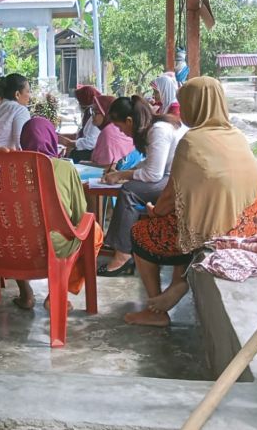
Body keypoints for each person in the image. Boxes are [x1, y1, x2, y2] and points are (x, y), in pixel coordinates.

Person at [126, 77, 257, 327]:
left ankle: (156, 311)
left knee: (142, 232)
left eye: (185, 103)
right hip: (247, 228)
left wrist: (154, 211)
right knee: (189, 217)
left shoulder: (192, 141)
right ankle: (181, 281)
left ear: (195, 105)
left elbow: (169, 198)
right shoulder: (237, 136)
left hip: (214, 233)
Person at [15, 118, 104, 309]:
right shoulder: (64, 168)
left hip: (11, 246)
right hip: (54, 246)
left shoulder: (10, 170)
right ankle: (57, 293)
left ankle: (25, 294)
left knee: (17, 228)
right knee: (93, 230)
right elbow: (80, 216)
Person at [97, 96, 187, 276]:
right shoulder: (156, 127)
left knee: (129, 191)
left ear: (129, 121)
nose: (122, 132)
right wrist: (127, 172)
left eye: (120, 127)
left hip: (181, 182)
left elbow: (153, 174)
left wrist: (123, 175)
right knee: (130, 187)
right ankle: (119, 245)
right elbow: (150, 164)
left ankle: (122, 255)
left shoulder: (159, 130)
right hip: (172, 177)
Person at [0, 73, 31, 150]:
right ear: (17, 94)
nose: (30, 95)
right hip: (3, 158)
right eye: (28, 91)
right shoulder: (20, 110)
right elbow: (20, 145)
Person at [89, 94, 137, 169]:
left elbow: (108, 168)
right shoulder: (115, 127)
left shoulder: (109, 132)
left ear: (105, 113)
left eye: (96, 112)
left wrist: (81, 164)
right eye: (92, 112)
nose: (92, 116)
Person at [60, 85, 101, 162]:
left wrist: (69, 143)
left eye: (79, 101)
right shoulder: (88, 116)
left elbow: (90, 143)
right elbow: (80, 135)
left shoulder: (95, 118)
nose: (78, 104)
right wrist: (60, 136)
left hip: (89, 155)